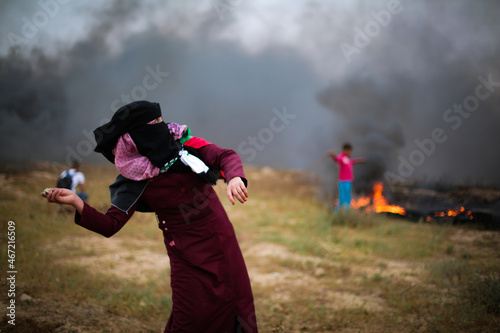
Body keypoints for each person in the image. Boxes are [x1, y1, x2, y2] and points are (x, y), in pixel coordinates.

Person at [42, 101, 258, 333]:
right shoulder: (134, 177)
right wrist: (77, 202)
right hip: (185, 253)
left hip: (220, 236)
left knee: (235, 299)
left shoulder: (183, 145)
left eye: (160, 120)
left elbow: (224, 156)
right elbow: (110, 225)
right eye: (153, 123)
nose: (161, 126)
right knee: (189, 316)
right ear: (135, 135)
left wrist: (235, 177)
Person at [328, 143, 365, 210]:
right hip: (343, 181)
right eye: (349, 151)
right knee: (342, 196)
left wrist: (359, 160)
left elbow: (352, 162)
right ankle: (338, 210)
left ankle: (345, 211)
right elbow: (337, 159)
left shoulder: (347, 159)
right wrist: (332, 155)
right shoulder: (341, 157)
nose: (350, 152)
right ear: (345, 150)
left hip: (348, 181)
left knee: (347, 197)